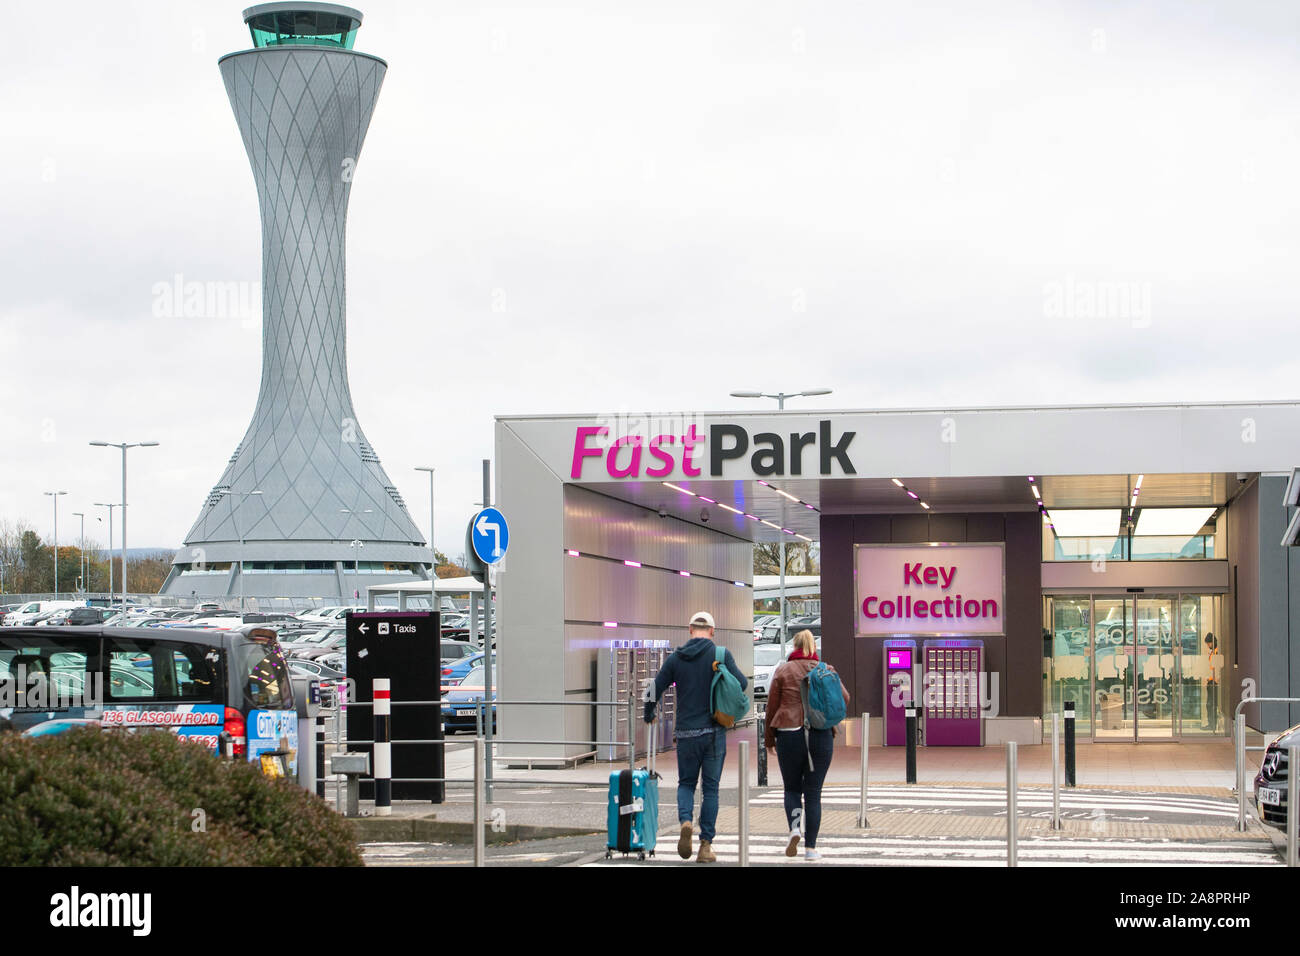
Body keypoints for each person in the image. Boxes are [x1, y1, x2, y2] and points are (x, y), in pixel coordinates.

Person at [644, 610, 746, 863]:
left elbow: (655, 686)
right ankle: (705, 845)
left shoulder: (677, 658)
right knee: (710, 789)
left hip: (686, 733)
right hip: (713, 732)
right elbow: (742, 683)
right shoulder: (720, 655)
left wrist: (649, 713)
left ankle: (686, 821)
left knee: (686, 784)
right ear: (712, 631)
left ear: (690, 629)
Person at [764, 629, 850, 862]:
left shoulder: (783, 670)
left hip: (789, 734)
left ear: (795, 646)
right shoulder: (825, 669)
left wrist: (769, 740)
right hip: (820, 735)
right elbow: (845, 698)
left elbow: (771, 707)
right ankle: (811, 849)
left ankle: (794, 829)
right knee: (813, 794)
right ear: (813, 646)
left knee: (792, 788)